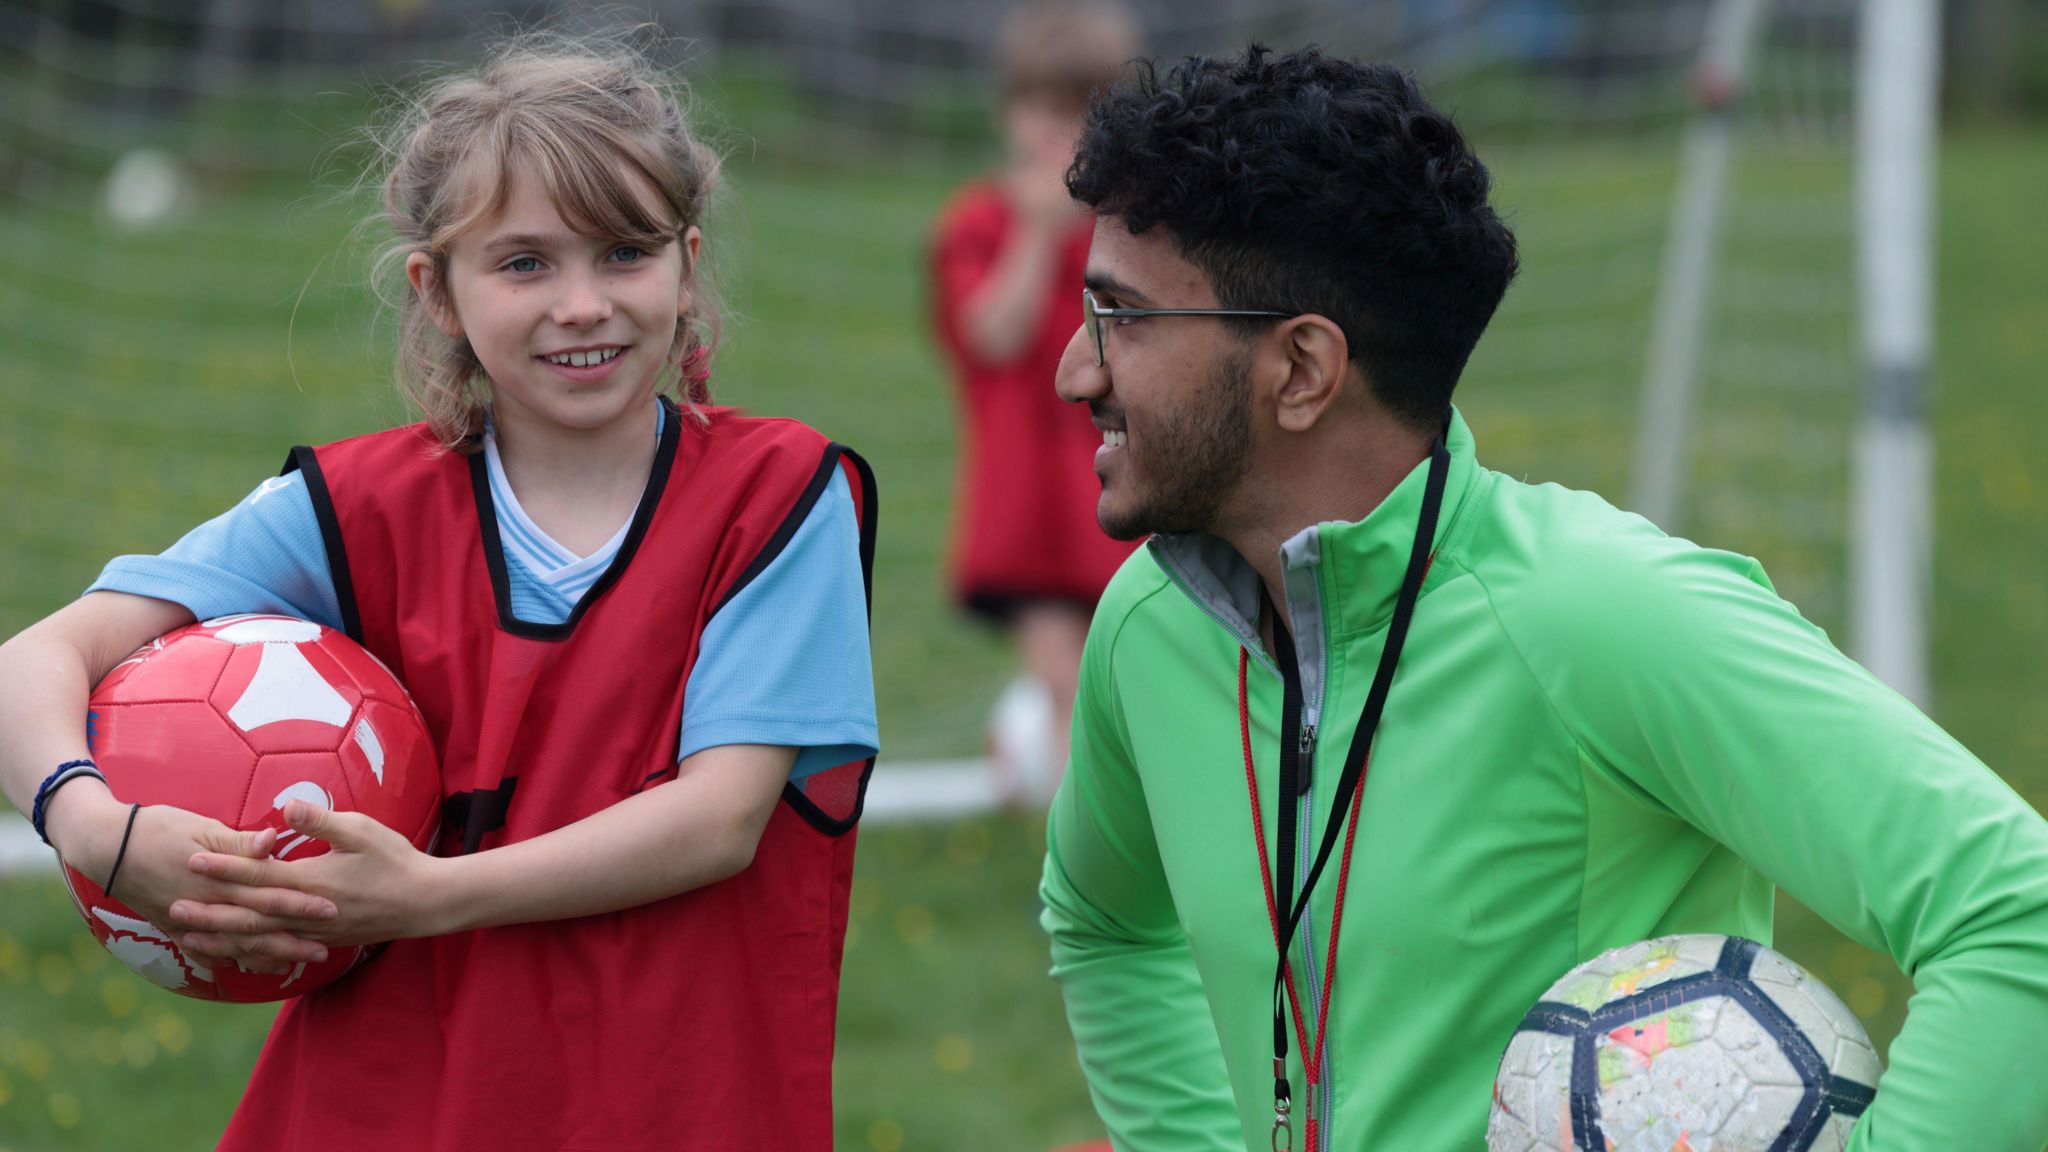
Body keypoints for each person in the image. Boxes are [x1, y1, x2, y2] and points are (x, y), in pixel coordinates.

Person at [1039, 45, 2048, 1151]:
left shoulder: (1598, 613)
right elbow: (1101, 922)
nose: (1075, 373)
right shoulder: (1145, 628)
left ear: (1301, 370)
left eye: (1121, 318)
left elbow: (2013, 914)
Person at [0, 37, 878, 1151]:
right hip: (381, 1109)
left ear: (687, 264)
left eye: (623, 252)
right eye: (522, 264)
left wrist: (419, 897)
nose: (580, 303)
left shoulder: (782, 496)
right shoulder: (356, 508)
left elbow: (718, 819)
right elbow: (31, 662)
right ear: (440, 291)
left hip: (669, 1101)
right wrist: (101, 831)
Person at [929, 1, 1140, 802]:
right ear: (1009, 113)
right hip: (1028, 508)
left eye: (1082, 117)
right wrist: (1033, 232)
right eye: (1042, 111)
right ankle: (1078, 864)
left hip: (1126, 490)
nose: (1059, 137)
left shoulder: (1135, 230)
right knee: (1064, 684)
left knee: (1126, 682)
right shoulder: (978, 224)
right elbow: (991, 335)